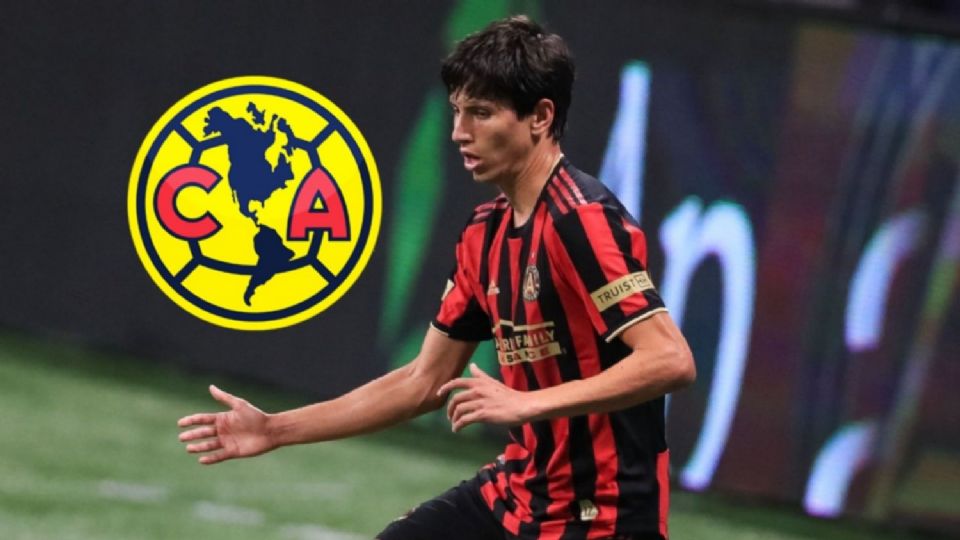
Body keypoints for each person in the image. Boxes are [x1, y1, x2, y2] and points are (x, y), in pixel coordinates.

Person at [178, 15, 695, 540]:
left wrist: (527, 403)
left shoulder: (581, 220)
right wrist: (275, 429)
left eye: (481, 113)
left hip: (603, 518)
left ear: (540, 116)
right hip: (517, 495)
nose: (459, 133)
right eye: (457, 112)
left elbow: (669, 359)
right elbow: (423, 381)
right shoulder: (483, 233)